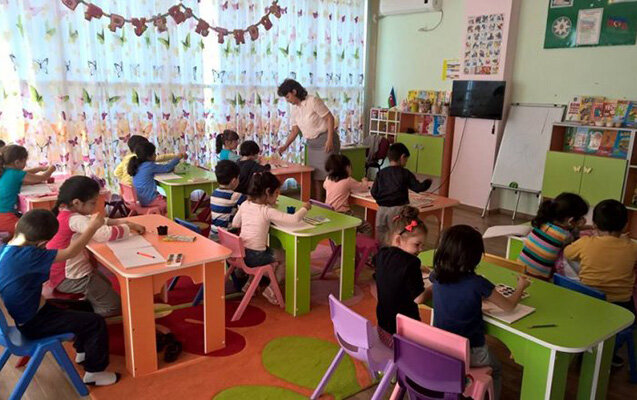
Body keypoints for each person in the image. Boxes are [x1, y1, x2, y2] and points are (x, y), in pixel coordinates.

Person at [0, 209, 118, 385]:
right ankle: (95, 373)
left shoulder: (5, 249)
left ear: (18, 225)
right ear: (42, 243)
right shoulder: (31, 255)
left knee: (85, 306)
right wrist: (92, 227)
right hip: (34, 323)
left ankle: (83, 351)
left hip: (28, 315)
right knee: (95, 322)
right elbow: (70, 253)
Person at [431, 225, 531, 400]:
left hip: (442, 348)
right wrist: (521, 287)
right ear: (475, 257)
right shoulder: (478, 283)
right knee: (497, 369)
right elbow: (509, 306)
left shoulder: (436, 275)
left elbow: (454, 291)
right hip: (471, 353)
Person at [47, 176, 145, 317]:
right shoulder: (75, 219)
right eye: (93, 203)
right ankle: (89, 318)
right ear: (77, 203)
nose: (95, 207)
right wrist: (128, 227)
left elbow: (97, 221)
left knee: (106, 283)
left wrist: (122, 222)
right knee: (114, 307)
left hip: (62, 274)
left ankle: (91, 304)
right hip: (70, 277)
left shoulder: (66, 213)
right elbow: (104, 234)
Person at [564, 199, 637, 367]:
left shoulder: (585, 243)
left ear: (595, 225)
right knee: (629, 321)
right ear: (626, 225)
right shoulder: (633, 248)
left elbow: (567, 253)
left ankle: (587, 347)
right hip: (619, 306)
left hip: (587, 302)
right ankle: (608, 352)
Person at [232, 172, 311, 304]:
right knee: (287, 257)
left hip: (241, 253)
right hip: (256, 257)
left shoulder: (245, 204)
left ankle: (250, 284)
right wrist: (305, 208)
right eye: (276, 194)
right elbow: (294, 219)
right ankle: (272, 290)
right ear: (268, 192)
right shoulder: (266, 211)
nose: (277, 197)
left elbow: (235, 223)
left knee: (268, 250)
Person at [276, 79, 339, 200]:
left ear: (294, 92)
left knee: (328, 174)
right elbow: (295, 130)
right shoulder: (295, 110)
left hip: (325, 139)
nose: (287, 100)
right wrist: (285, 146)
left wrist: (330, 139)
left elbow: (329, 118)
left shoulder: (313, 101)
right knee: (315, 175)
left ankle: (331, 202)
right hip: (312, 144)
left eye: (288, 96)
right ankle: (318, 202)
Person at [375, 206, 428, 347]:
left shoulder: (382, 254)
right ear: (398, 240)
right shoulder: (412, 263)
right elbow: (419, 298)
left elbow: (394, 268)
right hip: (403, 338)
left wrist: (418, 268)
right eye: (417, 245)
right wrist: (434, 287)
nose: (420, 249)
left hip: (383, 328)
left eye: (423, 245)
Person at [370, 143, 432, 243]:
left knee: (381, 234)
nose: (406, 162)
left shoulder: (381, 173)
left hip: (382, 209)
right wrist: (428, 182)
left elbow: (373, 192)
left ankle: (381, 251)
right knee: (396, 233)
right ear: (402, 157)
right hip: (398, 209)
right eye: (406, 160)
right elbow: (417, 187)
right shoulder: (405, 173)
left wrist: (382, 200)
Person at [519, 192, 588, 279]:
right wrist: (579, 228)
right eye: (581, 217)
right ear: (570, 221)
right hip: (539, 277)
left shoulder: (542, 222)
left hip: (519, 269)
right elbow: (576, 245)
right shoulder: (565, 236)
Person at [0, 145, 55, 237]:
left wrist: (39, 169)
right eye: (25, 161)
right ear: (17, 162)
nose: (25, 164)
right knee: (30, 233)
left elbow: (26, 173)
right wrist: (51, 169)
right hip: (4, 216)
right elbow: (42, 177)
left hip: (3, 214)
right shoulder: (16, 174)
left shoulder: (5, 170)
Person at [323, 154, 373, 235]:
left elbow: (325, 186)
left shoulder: (328, 179)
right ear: (347, 168)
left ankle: (353, 238)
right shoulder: (348, 181)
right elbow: (364, 187)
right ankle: (361, 242)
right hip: (343, 214)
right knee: (367, 227)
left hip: (330, 213)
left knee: (354, 227)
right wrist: (365, 181)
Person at [128, 141, 184, 212]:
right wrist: (178, 158)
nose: (155, 155)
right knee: (173, 205)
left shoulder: (138, 165)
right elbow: (167, 168)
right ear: (148, 156)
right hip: (150, 200)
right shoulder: (149, 165)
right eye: (154, 154)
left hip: (141, 200)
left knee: (167, 200)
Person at [210, 160, 246, 237]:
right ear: (234, 181)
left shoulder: (214, 193)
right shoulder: (235, 196)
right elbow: (250, 205)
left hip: (213, 233)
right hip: (227, 236)